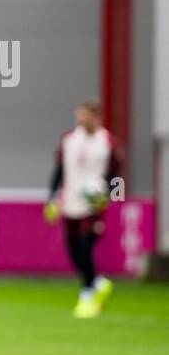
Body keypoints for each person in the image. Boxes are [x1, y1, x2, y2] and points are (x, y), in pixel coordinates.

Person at [44, 99, 123, 318]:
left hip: (93, 205)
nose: (81, 120)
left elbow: (116, 175)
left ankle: (87, 295)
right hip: (70, 203)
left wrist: (107, 195)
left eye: (85, 116)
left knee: (87, 247)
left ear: (96, 117)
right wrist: (52, 196)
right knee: (73, 250)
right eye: (79, 116)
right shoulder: (69, 140)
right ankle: (97, 282)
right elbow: (59, 169)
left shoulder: (108, 143)